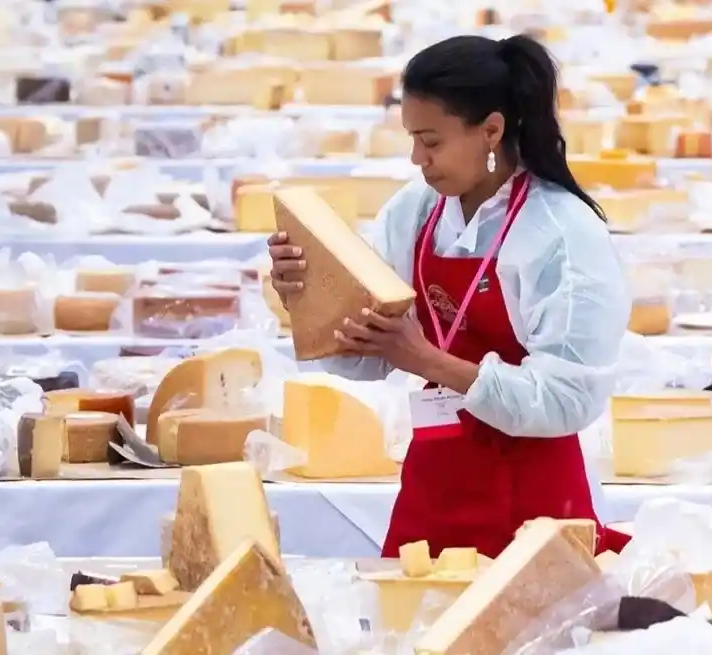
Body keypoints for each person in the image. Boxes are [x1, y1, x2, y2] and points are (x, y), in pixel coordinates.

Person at [268, 33, 630, 559]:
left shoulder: (561, 232)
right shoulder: (415, 212)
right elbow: (369, 355)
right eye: (412, 139)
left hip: (534, 496)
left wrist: (427, 360)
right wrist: (310, 300)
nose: (418, 158)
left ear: (491, 130)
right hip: (432, 485)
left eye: (432, 141)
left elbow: (566, 399)